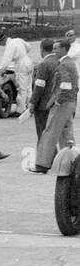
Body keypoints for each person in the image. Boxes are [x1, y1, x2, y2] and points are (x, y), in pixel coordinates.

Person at [35, 36, 77, 172]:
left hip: (62, 103)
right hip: (71, 102)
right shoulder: (71, 63)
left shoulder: (63, 65)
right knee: (66, 134)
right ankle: (72, 163)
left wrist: (58, 100)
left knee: (49, 132)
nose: (54, 51)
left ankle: (42, 164)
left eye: (56, 49)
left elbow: (65, 84)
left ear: (64, 49)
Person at [0, 32, 33, 114]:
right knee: (28, 87)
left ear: (3, 40)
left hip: (21, 64)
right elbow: (29, 48)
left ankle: (20, 111)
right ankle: (29, 109)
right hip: (28, 61)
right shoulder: (18, 40)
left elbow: (5, 62)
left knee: (21, 88)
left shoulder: (10, 46)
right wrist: (22, 53)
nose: (0, 45)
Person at [29, 38, 58, 141]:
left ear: (42, 49)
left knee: (42, 135)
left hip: (43, 105)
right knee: (52, 136)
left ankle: (44, 157)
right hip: (56, 104)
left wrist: (32, 103)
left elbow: (39, 87)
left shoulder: (44, 64)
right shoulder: (58, 62)